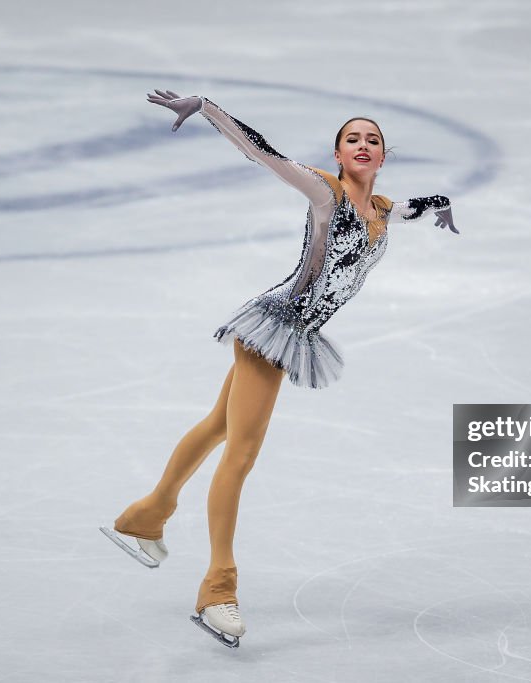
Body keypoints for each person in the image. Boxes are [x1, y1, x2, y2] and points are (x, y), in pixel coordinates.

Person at [100, 89, 459, 648]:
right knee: (241, 453)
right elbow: (263, 153)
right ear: (337, 154)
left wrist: (442, 204)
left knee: (219, 426)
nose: (363, 146)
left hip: (301, 335)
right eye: (352, 139)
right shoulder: (326, 193)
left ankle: (147, 514)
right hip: (273, 328)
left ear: (384, 157)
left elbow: (417, 205)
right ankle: (218, 587)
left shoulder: (383, 210)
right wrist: (207, 108)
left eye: (373, 141)